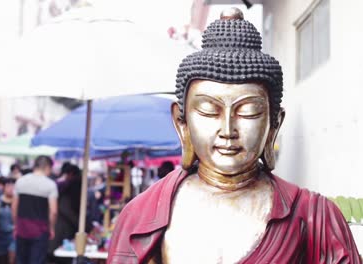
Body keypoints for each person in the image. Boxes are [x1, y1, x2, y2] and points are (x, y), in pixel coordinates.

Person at [108, 8, 361, 263]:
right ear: (182, 122)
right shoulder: (141, 218)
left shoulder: (312, 216)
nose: (228, 130)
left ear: (274, 123)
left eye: (248, 112)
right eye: (209, 111)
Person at [12, 156, 58, 264]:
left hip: (22, 228)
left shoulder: (20, 181)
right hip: (40, 230)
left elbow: (14, 207)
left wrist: (15, 225)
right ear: (47, 167)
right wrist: (51, 228)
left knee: (21, 260)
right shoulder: (50, 185)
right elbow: (54, 211)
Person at [48, 164, 82, 264]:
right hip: (61, 232)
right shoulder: (70, 186)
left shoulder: (57, 184)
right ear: (71, 174)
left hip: (58, 231)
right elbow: (67, 211)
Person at [0, 178, 16, 264]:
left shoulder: (18, 202)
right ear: (4, 187)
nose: (11, 189)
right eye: (9, 186)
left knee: (12, 258)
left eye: (14, 186)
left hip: (14, 235)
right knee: (0, 259)